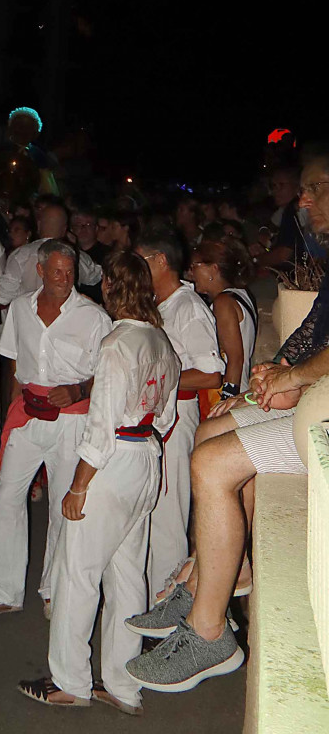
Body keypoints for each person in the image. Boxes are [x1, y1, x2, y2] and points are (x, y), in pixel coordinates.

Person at [126, 155, 329, 690]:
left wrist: (292, 377)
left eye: (315, 188)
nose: (303, 200)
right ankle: (222, 570)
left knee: (213, 463)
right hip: (317, 398)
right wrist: (276, 373)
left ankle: (209, 631)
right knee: (212, 430)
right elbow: (315, 329)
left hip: (324, 415)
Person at [18, 252, 181, 711]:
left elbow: (101, 425)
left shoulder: (116, 344)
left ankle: (70, 680)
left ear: (110, 286)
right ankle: (124, 684)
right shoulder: (161, 343)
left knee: (78, 572)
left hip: (114, 460)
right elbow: (165, 416)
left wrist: (78, 485)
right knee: (128, 575)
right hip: (146, 456)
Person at [0, 242, 111, 618]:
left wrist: (79, 390)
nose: (64, 280)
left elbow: (109, 373)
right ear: (40, 271)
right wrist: (10, 414)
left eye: (70, 272)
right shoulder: (20, 308)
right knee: (7, 498)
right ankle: (6, 592)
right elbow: (14, 364)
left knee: (62, 506)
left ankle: (54, 590)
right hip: (28, 416)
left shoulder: (93, 316)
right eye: (57, 272)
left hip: (72, 420)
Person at [136, 227, 223, 597]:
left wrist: (155, 380)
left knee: (169, 516)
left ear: (160, 261)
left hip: (176, 417)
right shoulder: (158, 305)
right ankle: (150, 598)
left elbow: (211, 373)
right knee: (151, 510)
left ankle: (169, 604)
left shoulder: (188, 308)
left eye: (140, 260)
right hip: (155, 416)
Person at [0, 197, 102, 306]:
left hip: (29, 314)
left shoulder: (20, 255)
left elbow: (3, 297)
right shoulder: (75, 255)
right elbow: (96, 276)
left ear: (39, 225)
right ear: (65, 229)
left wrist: (25, 292)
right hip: (67, 314)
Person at [188, 236, 257, 395]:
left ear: (213, 269)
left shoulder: (223, 303)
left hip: (228, 391)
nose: (190, 273)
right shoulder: (240, 294)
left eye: (194, 266)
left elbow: (235, 358)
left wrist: (227, 398)